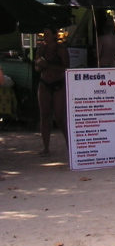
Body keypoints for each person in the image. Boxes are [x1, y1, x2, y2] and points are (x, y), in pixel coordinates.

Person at [35, 25, 69, 156]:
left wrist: (48, 65)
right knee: (44, 115)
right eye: (44, 35)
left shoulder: (61, 50)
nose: (45, 37)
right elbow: (37, 68)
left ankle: (68, 144)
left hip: (58, 84)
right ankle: (46, 147)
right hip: (44, 84)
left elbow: (65, 67)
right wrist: (39, 65)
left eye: (47, 34)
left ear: (54, 35)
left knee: (60, 116)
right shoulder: (41, 49)